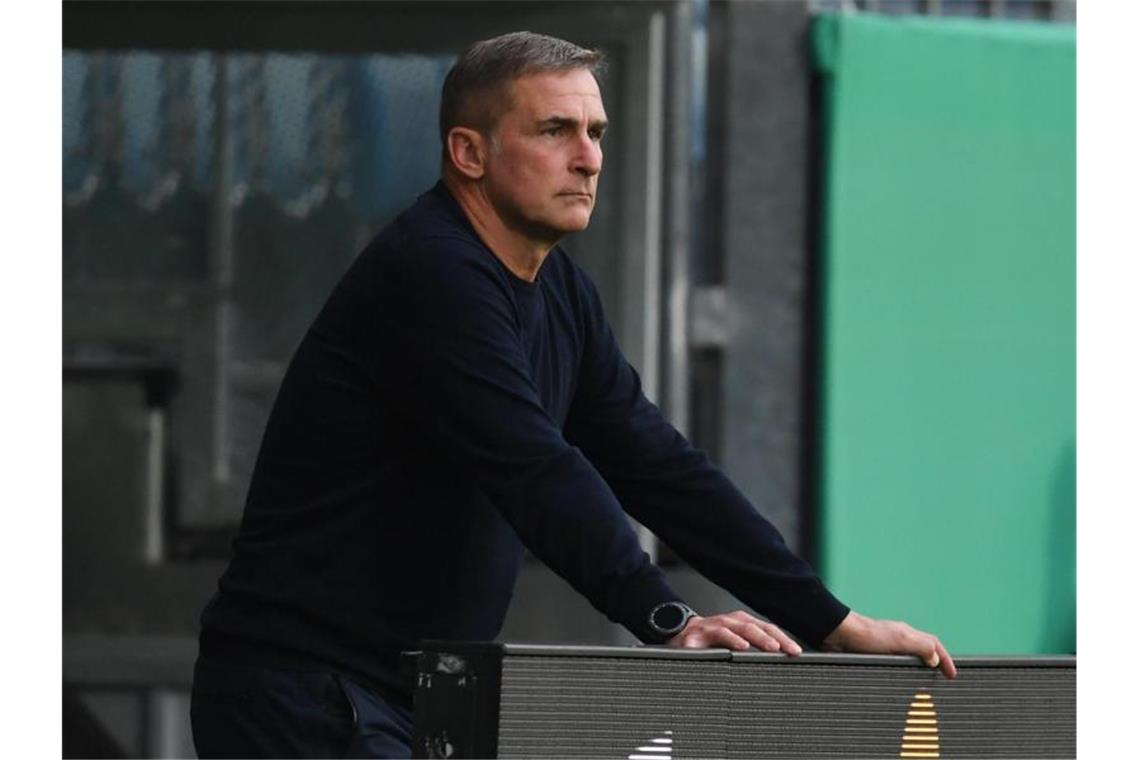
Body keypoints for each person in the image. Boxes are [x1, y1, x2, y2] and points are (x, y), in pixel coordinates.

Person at [190, 31, 956, 759]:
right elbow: (533, 466)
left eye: (596, 132)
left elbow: (655, 463)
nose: (588, 159)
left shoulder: (559, 290)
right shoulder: (432, 275)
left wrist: (830, 621)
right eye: (556, 130)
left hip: (404, 697)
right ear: (469, 153)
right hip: (305, 692)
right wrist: (665, 619)